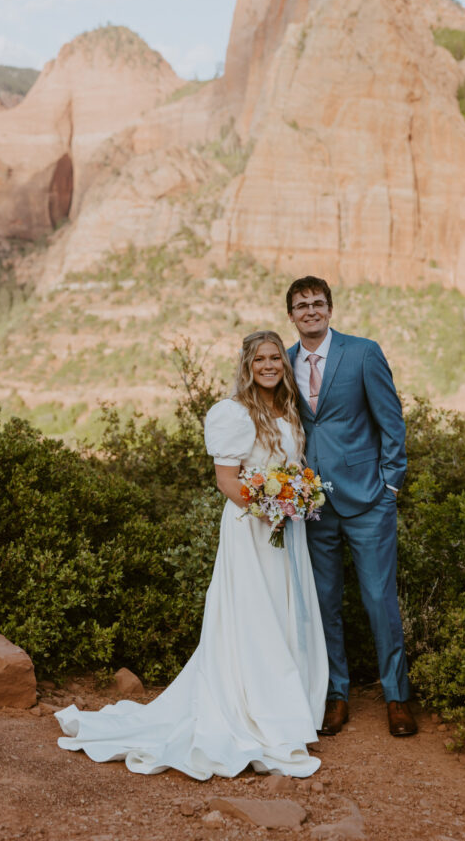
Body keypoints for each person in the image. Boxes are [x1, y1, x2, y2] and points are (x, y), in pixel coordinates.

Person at [56, 330, 328, 778]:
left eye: (275, 357)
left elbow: (293, 469)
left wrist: (296, 499)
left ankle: (290, 709)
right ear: (246, 364)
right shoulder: (234, 413)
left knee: (283, 612)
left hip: (286, 529)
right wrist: (272, 506)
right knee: (253, 617)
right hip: (252, 528)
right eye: (259, 358)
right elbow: (227, 481)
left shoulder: (290, 410)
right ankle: (259, 711)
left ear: (285, 362)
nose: (268, 365)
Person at [286, 276, 416, 737]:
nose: (311, 311)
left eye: (318, 303)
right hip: (313, 506)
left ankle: (397, 697)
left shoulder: (363, 353)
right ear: (292, 316)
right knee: (323, 603)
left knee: (379, 600)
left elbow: (391, 421)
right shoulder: (282, 362)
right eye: (301, 306)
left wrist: (390, 486)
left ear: (330, 309)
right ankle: (335, 694)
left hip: (368, 501)